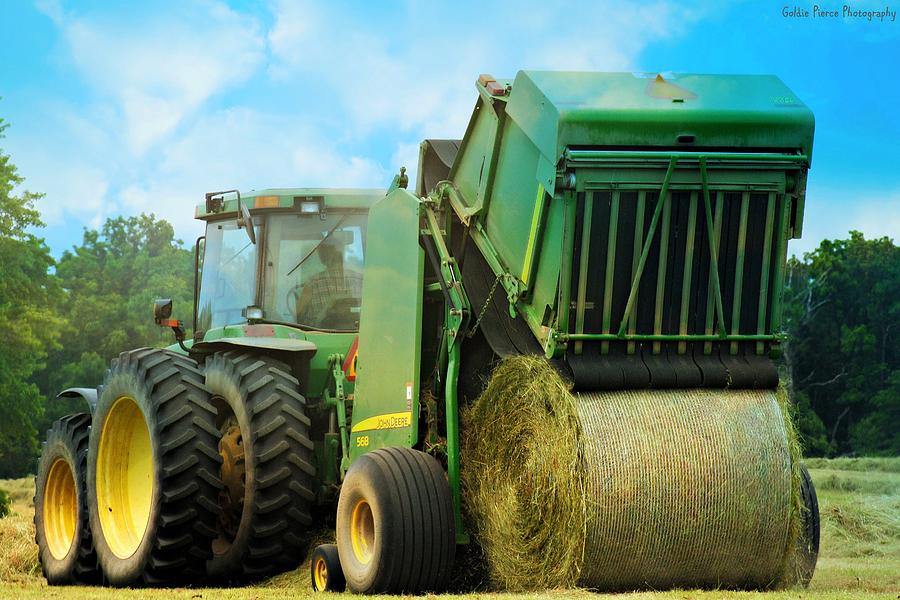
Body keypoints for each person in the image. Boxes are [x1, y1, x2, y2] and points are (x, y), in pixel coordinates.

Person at [295, 239, 363, 329]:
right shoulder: (361, 280)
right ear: (341, 254)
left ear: (322, 257)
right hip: (356, 335)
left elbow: (297, 316)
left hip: (319, 337)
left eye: (320, 251)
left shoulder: (312, 283)